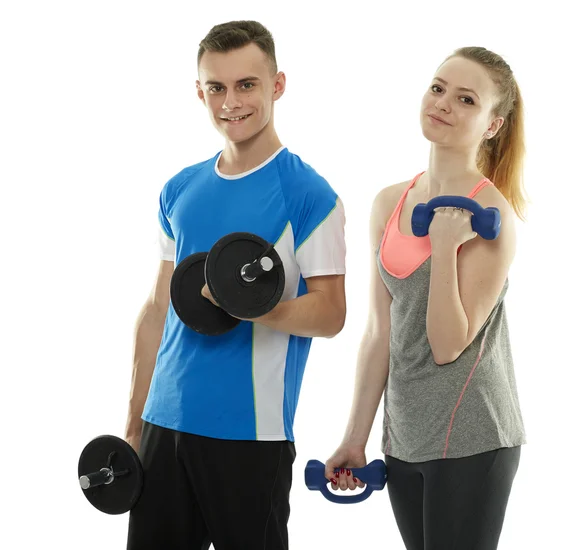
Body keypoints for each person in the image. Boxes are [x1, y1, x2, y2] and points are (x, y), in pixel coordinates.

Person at [124, 20, 347, 550]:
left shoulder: (309, 194)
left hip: (249, 436)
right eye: (216, 87)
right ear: (198, 91)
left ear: (277, 85)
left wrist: (248, 305)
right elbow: (157, 310)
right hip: (163, 424)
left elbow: (331, 313)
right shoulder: (180, 189)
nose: (231, 102)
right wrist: (133, 425)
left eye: (246, 84)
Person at [325, 46, 527, 550]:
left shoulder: (491, 218)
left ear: (492, 125)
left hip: (472, 435)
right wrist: (356, 437)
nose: (442, 104)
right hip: (407, 435)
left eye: (465, 99)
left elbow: (446, 344)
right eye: (438, 88)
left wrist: (443, 246)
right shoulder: (389, 203)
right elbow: (379, 333)